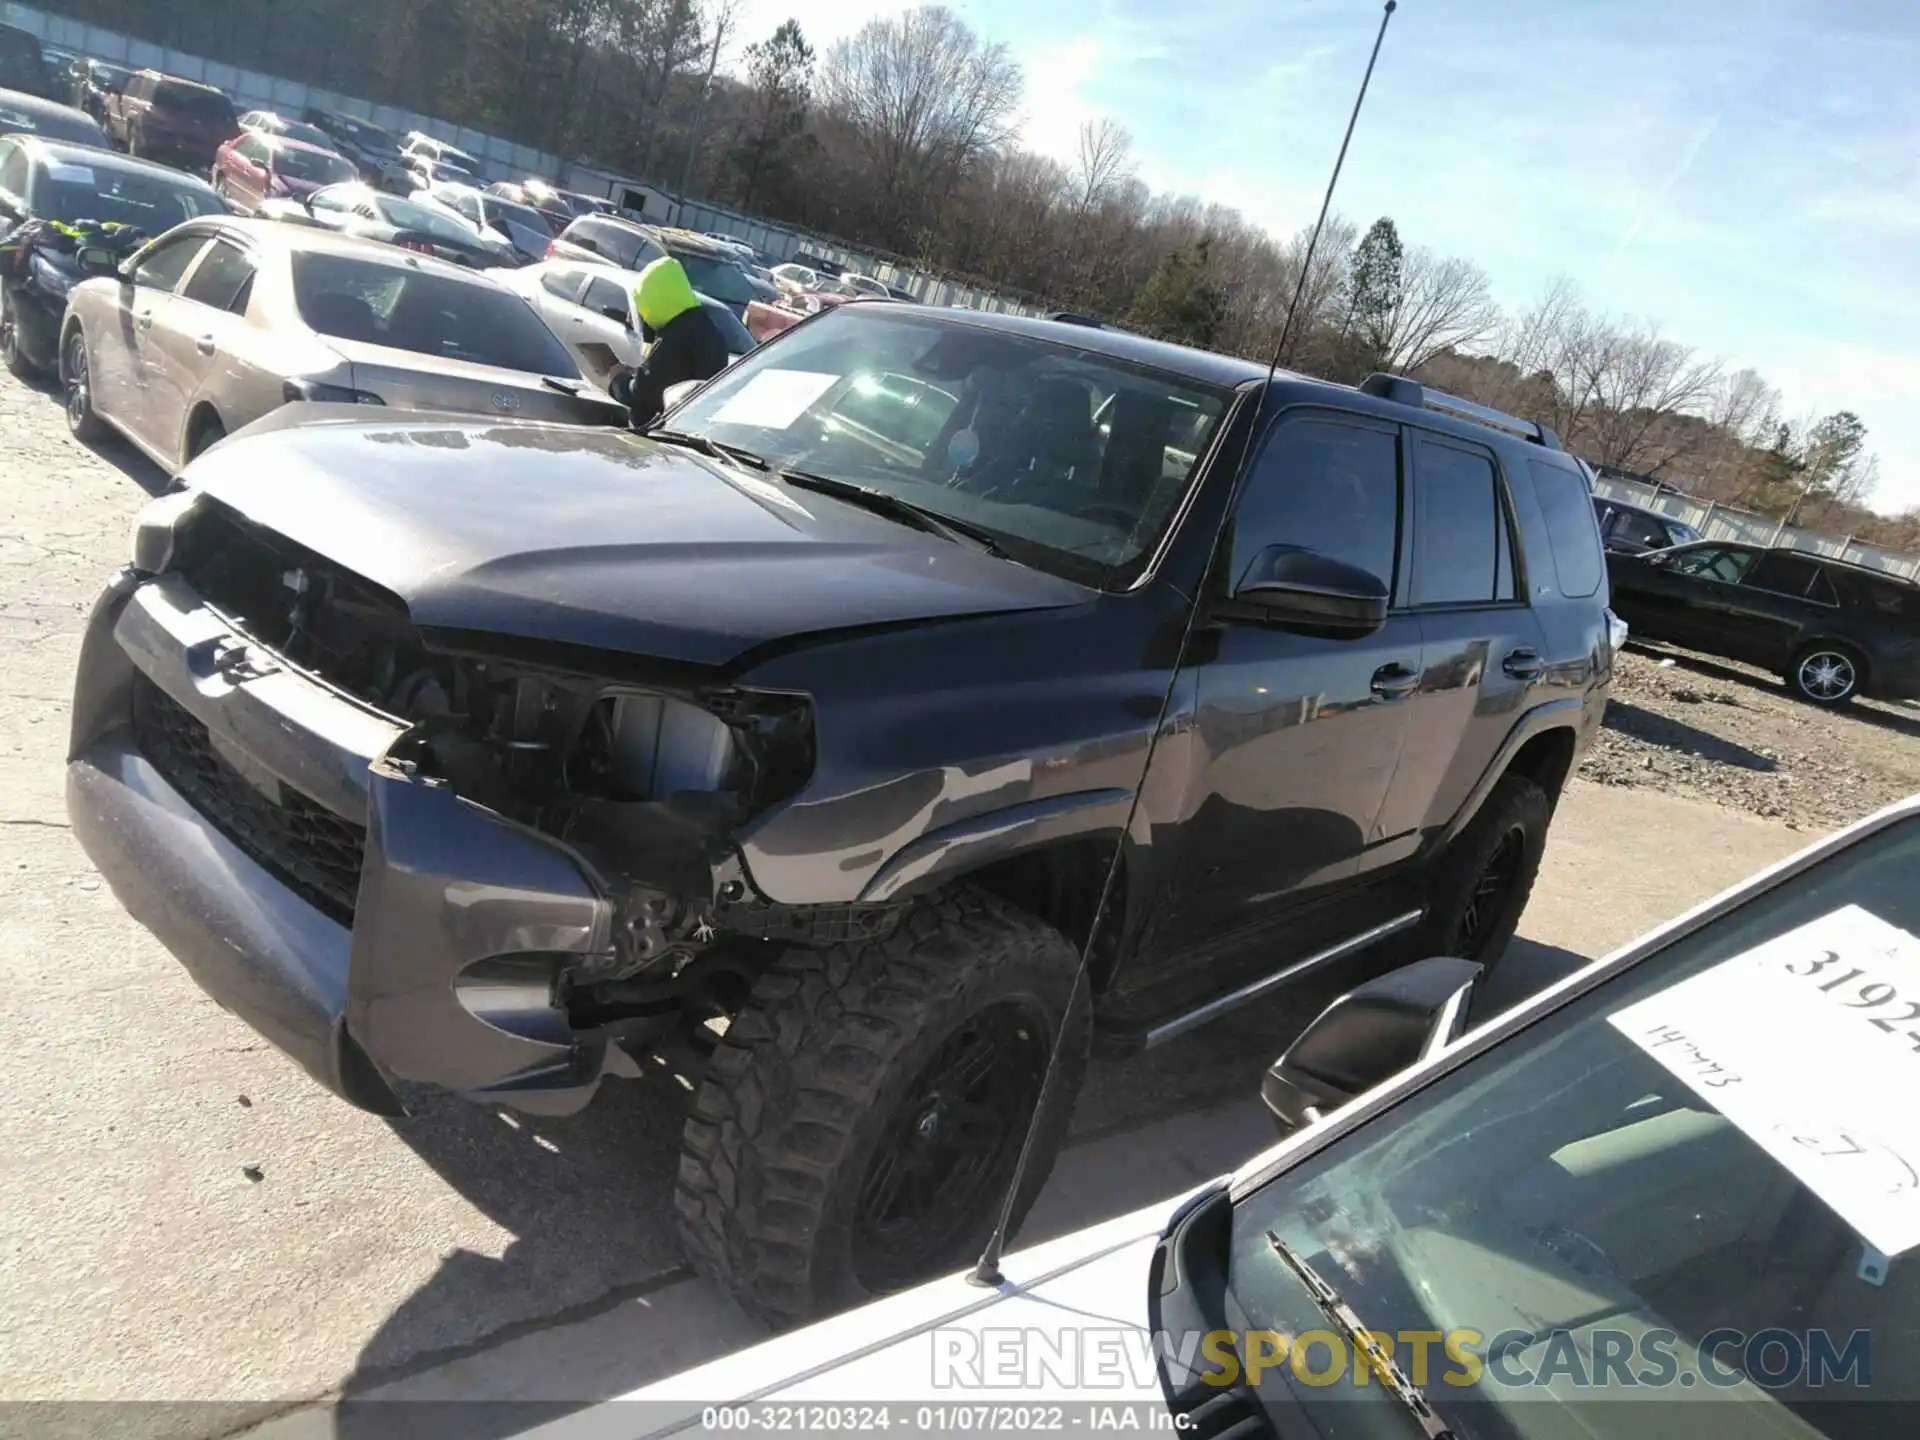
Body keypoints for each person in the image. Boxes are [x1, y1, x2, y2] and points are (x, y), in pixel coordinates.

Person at [608, 255, 730, 430]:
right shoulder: (709, 329)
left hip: (662, 437)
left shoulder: (674, 337)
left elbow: (641, 394)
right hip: (694, 428)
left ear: (653, 298)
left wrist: (617, 380)